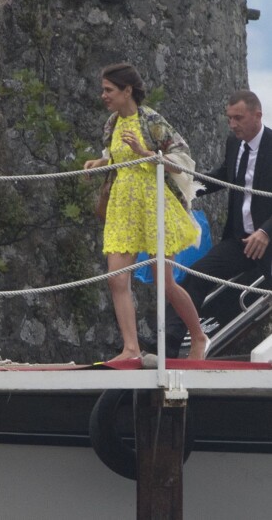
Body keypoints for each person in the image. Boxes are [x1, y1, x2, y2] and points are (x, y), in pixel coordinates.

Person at [84, 63, 210, 361]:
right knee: (116, 279)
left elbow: (182, 158)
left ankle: (198, 335)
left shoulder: (151, 120)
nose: (103, 95)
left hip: (153, 205)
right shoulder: (112, 123)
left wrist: (145, 153)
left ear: (127, 91)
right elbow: (115, 155)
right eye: (103, 90)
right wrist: (100, 162)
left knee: (164, 281)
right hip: (123, 206)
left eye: (109, 90)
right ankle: (131, 348)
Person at [139, 90, 272, 357]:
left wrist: (266, 231)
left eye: (239, 118)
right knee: (197, 275)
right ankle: (168, 346)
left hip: (268, 239)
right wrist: (184, 190)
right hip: (240, 241)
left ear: (258, 115)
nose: (233, 124)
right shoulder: (233, 144)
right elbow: (223, 176)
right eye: (229, 118)